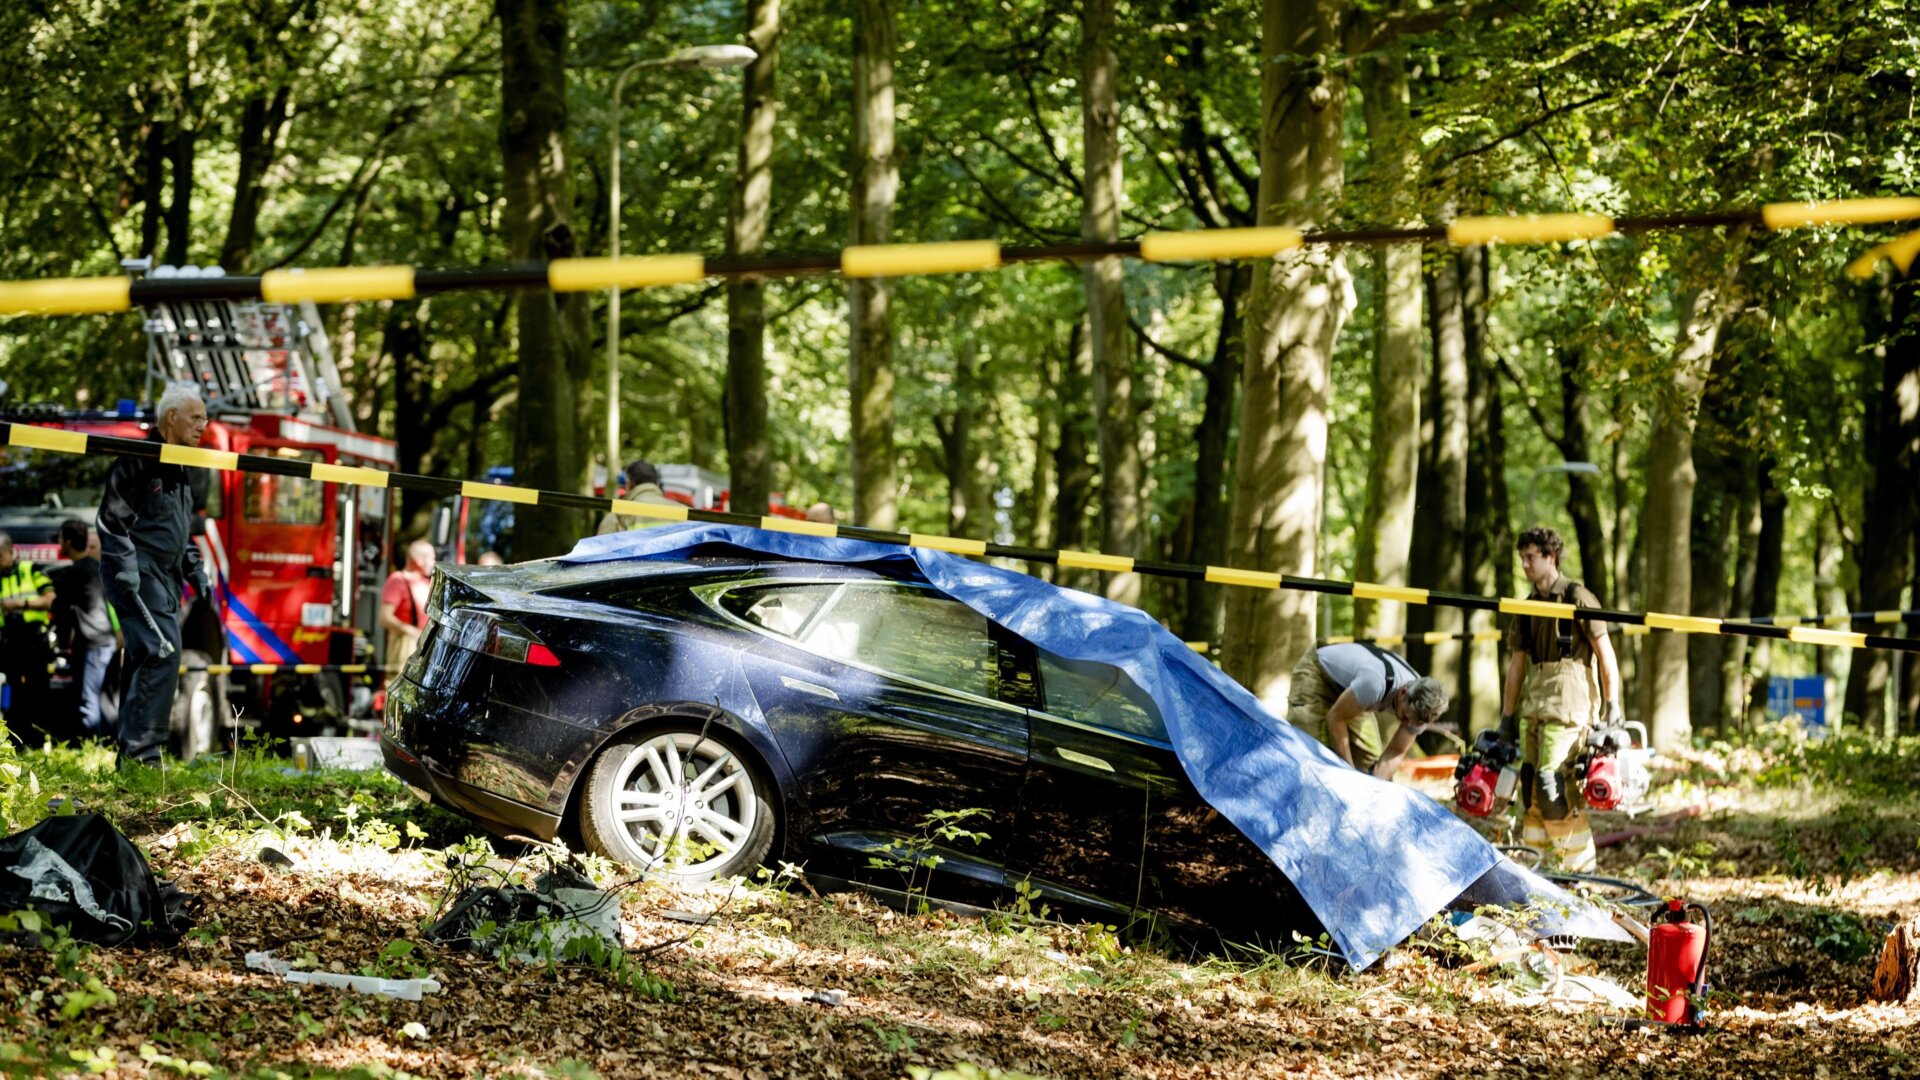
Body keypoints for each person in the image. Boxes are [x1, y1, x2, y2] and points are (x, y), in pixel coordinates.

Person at [98, 383, 214, 767]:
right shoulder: (138, 459)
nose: (204, 424)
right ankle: (144, 753)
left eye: (205, 417)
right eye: (196, 417)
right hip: (137, 571)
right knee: (163, 652)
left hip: (164, 576)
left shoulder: (180, 465)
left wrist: (195, 569)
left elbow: (177, 530)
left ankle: (131, 759)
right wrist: (126, 569)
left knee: (144, 657)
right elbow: (111, 521)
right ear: (171, 417)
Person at [1500, 525, 1623, 873]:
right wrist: (1507, 718)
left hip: (1571, 707)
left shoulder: (1577, 597)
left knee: (1554, 785)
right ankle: (1536, 871)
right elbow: (1517, 665)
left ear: (1551, 556)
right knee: (1531, 789)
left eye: (1531, 557)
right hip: (1536, 704)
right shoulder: (1526, 606)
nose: (1524, 565)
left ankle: (1578, 875)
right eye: (1521, 558)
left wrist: (1612, 707)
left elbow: (1605, 653)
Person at [1285, 641, 1450, 778]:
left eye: (1413, 723)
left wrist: (1375, 786)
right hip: (1319, 675)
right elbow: (1336, 718)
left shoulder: (1422, 709)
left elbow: (1396, 752)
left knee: (1368, 764)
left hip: (1355, 697)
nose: (1407, 723)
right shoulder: (1375, 684)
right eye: (1405, 717)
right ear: (1403, 693)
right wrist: (1349, 774)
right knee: (1309, 751)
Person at [47, 520, 120, 740]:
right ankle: (110, 745)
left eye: (60, 539)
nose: (59, 543)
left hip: (93, 644)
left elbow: (60, 608)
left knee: (89, 701)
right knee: (105, 699)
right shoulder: (94, 567)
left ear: (68, 542)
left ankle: (94, 748)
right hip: (105, 640)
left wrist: (59, 642)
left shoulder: (75, 573)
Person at [0, 530, 58, 732]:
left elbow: (50, 599)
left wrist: (19, 603)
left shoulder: (30, 569)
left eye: (0, 555)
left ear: (11, 552)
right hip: (8, 642)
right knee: (11, 689)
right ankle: (15, 734)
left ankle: (39, 735)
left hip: (34, 639)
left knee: (38, 689)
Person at [381, 540, 435, 674]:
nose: (433, 562)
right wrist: (410, 631)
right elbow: (384, 617)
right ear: (418, 559)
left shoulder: (427, 583)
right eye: (431, 558)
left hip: (425, 646)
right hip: (404, 645)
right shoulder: (397, 580)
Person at [595, 460, 680, 534]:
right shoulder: (683, 512)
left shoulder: (615, 518)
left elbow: (601, 549)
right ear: (657, 484)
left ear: (629, 483)